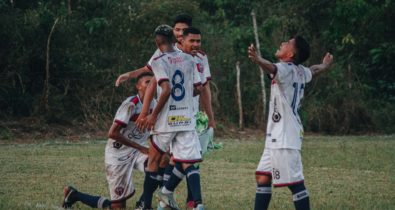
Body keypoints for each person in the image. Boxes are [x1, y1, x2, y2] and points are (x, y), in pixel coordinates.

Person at [248, 36, 333, 210]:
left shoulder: (285, 69)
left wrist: (257, 60)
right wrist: (324, 65)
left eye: (286, 43)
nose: (282, 43)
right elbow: (314, 70)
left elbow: (271, 67)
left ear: (291, 53)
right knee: (263, 176)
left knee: (295, 183)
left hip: (285, 137)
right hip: (277, 136)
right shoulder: (300, 71)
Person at [62, 72, 156, 209]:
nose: (151, 85)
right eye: (148, 82)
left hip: (137, 151)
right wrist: (141, 147)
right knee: (117, 206)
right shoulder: (130, 105)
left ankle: (143, 204)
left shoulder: (156, 104)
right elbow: (112, 133)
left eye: (153, 82)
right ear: (138, 86)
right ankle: (74, 195)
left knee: (159, 164)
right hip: (118, 155)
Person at [139, 24, 204, 210]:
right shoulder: (190, 59)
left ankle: (146, 205)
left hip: (166, 120)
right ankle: (197, 203)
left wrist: (153, 115)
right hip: (186, 119)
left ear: (157, 42)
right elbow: (198, 88)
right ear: (175, 40)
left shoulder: (159, 61)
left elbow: (166, 89)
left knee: (153, 160)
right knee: (188, 162)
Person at [114, 14, 192, 87]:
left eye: (184, 30)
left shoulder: (196, 53)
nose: (181, 33)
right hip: (167, 99)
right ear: (173, 31)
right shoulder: (164, 50)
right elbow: (147, 69)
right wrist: (128, 75)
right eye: (177, 30)